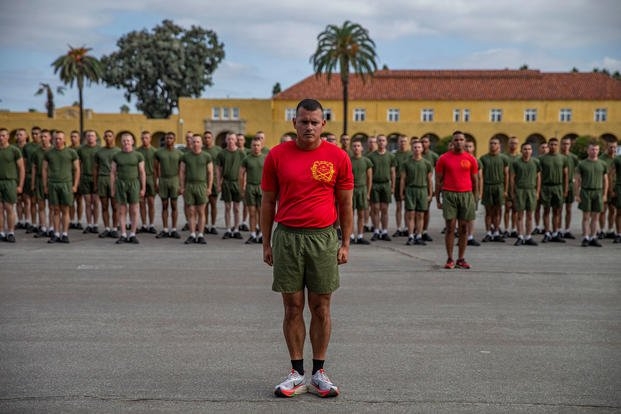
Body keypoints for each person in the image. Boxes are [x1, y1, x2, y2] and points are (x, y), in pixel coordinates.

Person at [262, 99, 353, 398]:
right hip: (287, 237)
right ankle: (296, 372)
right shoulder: (276, 156)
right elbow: (267, 202)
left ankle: (319, 373)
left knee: (321, 306)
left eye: (315, 122)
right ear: (294, 122)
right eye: (304, 121)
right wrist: (266, 241)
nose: (309, 127)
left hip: (323, 238)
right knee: (292, 307)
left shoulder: (338, 157)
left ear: (323, 124)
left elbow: (346, 203)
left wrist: (346, 243)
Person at [435, 131, 478, 269]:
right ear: (452, 142)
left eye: (461, 139)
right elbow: (438, 180)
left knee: (464, 228)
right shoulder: (443, 158)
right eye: (456, 139)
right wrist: (437, 199)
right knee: (450, 227)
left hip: (466, 195)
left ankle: (461, 258)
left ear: (465, 142)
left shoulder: (471, 159)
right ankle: (449, 258)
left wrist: (475, 198)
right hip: (449, 194)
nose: (459, 142)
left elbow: (475, 180)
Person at [42, 130, 80, 243]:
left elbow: (77, 169)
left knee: (65, 210)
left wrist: (75, 185)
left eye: (60, 139)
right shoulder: (48, 153)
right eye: (55, 139)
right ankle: (56, 233)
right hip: (53, 184)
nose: (57, 141)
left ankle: (65, 234)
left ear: (64, 139)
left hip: (66, 184)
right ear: (52, 140)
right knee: (55, 210)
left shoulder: (71, 153)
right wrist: (45, 185)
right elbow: (44, 169)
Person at [110, 133, 146, 244]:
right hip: (121, 184)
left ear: (132, 142)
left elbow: (142, 172)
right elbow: (112, 173)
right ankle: (124, 234)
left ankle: (133, 234)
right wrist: (112, 188)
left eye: (128, 140)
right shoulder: (117, 156)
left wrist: (143, 188)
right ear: (121, 142)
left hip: (134, 184)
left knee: (134, 210)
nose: (126, 142)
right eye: (124, 140)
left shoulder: (138, 155)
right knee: (122, 210)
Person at [179, 134, 213, 245]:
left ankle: (201, 235)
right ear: (191, 143)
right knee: (191, 211)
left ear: (201, 143)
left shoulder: (206, 156)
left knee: (201, 211)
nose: (196, 144)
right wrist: (182, 187)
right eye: (194, 142)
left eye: (198, 142)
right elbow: (182, 172)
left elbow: (210, 173)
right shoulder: (186, 156)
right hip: (190, 186)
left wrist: (209, 187)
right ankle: (192, 234)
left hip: (201, 186)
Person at [575, 141, 608, 247]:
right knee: (586, 217)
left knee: (595, 217)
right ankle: (586, 237)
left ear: (599, 151)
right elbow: (577, 180)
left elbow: (606, 180)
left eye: (596, 149)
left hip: (598, 191)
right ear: (588, 150)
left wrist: (605, 194)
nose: (594, 151)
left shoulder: (602, 164)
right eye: (592, 149)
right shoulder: (582, 164)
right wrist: (577, 194)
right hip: (586, 191)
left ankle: (593, 237)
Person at [400, 139, 433, 246]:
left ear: (422, 149)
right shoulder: (406, 163)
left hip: (422, 190)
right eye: (415, 147)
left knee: (420, 215)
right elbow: (403, 179)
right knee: (411, 214)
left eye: (419, 147)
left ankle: (419, 235)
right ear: (412, 149)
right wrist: (402, 192)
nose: (417, 149)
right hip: (410, 190)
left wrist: (430, 193)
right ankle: (410, 236)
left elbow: (429, 180)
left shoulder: (427, 164)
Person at [510, 142, 541, 246]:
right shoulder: (516, 162)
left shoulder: (536, 162)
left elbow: (538, 178)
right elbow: (512, 178)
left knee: (530, 215)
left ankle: (528, 236)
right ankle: (520, 236)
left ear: (532, 151)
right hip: (520, 190)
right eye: (525, 149)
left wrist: (537, 192)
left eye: (529, 149)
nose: (527, 151)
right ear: (521, 150)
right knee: (520, 215)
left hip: (531, 190)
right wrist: (513, 192)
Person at [538, 138, 568, 243]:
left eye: (555, 144)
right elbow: (539, 176)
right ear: (548, 145)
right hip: (546, 187)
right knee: (546, 211)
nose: (553, 146)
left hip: (558, 187)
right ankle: (547, 233)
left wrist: (565, 190)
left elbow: (566, 174)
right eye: (551, 144)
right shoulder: (542, 159)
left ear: (558, 145)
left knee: (557, 211)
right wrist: (539, 190)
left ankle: (555, 233)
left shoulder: (562, 158)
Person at [479, 137, 509, 242]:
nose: (493, 145)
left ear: (499, 145)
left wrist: (505, 190)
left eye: (495, 143)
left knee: (497, 211)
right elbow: (480, 176)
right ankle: (488, 232)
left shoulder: (504, 158)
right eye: (491, 143)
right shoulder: (483, 158)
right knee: (488, 211)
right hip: (488, 186)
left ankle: (496, 232)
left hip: (499, 186)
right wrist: (481, 191)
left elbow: (506, 175)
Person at [154, 131, 182, 239]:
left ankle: (174, 229)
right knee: (164, 205)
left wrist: (180, 185)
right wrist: (156, 183)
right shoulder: (159, 153)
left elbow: (182, 170)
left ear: (174, 140)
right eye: (167, 138)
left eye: (171, 138)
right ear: (164, 140)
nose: (168, 140)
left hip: (174, 180)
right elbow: (156, 169)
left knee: (174, 205)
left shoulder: (179, 153)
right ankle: (165, 229)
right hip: (163, 180)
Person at [368, 134, 396, 241]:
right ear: (377, 142)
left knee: (384, 209)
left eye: (383, 140)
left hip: (385, 184)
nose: (381, 142)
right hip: (375, 184)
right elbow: (369, 174)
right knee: (375, 209)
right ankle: (376, 230)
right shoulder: (371, 156)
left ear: (386, 142)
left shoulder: (391, 156)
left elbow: (393, 172)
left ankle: (384, 231)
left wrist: (393, 186)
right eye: (379, 140)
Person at [217, 132, 245, 239]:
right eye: (229, 139)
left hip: (237, 182)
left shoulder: (241, 154)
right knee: (227, 207)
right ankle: (228, 229)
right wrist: (219, 183)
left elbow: (244, 171)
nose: (230, 141)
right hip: (226, 182)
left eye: (232, 139)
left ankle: (237, 229)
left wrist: (243, 184)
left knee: (237, 208)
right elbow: (218, 169)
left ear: (236, 140)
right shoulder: (222, 154)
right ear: (226, 140)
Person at [0, 127, 25, 243]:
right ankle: (1, 232)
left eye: (3, 135)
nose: (1, 138)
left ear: (8, 137)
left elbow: (21, 168)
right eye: (0, 136)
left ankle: (10, 232)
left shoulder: (14, 150)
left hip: (10, 181)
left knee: (9, 208)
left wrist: (20, 185)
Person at [94, 130, 120, 238]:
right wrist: (95, 183)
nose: (108, 138)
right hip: (102, 179)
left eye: (110, 136)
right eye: (106, 136)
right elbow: (95, 168)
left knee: (115, 206)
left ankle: (114, 228)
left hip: (114, 180)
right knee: (104, 206)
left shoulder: (118, 151)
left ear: (113, 137)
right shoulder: (99, 152)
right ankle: (106, 228)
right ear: (104, 138)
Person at [240, 137, 266, 244]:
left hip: (262, 188)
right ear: (251, 147)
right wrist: (242, 188)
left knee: (261, 212)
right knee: (252, 212)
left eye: (258, 145)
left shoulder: (266, 158)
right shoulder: (247, 159)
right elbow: (241, 174)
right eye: (254, 145)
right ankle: (252, 234)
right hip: (250, 187)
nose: (256, 147)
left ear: (261, 146)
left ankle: (261, 234)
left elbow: (270, 175)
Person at [349, 138, 372, 244]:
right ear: (351, 148)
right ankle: (352, 235)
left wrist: (368, 193)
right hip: (351, 190)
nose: (356, 148)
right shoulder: (348, 160)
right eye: (354, 146)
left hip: (362, 189)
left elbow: (369, 178)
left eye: (358, 146)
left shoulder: (366, 161)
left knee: (361, 214)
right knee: (351, 214)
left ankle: (361, 235)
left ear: (362, 148)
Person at [77, 130, 100, 234]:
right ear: (86, 137)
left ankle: (95, 225)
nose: (90, 137)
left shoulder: (100, 150)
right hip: (85, 178)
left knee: (95, 203)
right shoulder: (81, 150)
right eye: (88, 135)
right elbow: (78, 165)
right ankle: (89, 224)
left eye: (92, 135)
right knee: (87, 203)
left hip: (97, 178)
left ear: (96, 138)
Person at [30, 129, 52, 238]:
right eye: (41, 136)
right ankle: (43, 227)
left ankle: (52, 228)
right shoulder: (36, 152)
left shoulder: (54, 150)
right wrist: (33, 184)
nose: (43, 138)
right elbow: (34, 168)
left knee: (53, 206)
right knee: (41, 205)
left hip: (52, 180)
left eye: (45, 136)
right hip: (39, 180)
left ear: (50, 138)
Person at [137, 130, 157, 234]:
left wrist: (156, 181)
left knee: (151, 202)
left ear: (150, 139)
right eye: (143, 138)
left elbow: (157, 167)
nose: (144, 140)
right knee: (142, 203)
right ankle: (144, 224)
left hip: (151, 177)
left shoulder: (154, 151)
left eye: (147, 138)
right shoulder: (137, 151)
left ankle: (151, 224)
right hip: (140, 179)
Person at [559, 137, 579, 239]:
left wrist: (576, 188)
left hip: (570, 185)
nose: (565, 146)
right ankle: (557, 229)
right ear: (560, 145)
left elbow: (577, 172)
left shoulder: (574, 157)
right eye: (563, 144)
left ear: (570, 145)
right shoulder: (557, 156)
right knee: (558, 209)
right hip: (559, 185)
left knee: (569, 209)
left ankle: (567, 229)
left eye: (567, 144)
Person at [202, 130, 221, 235]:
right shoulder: (201, 150)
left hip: (214, 181)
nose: (207, 139)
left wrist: (219, 181)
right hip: (203, 181)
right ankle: (204, 225)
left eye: (209, 137)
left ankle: (213, 226)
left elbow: (220, 167)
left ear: (212, 138)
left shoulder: (218, 150)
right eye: (205, 138)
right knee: (204, 205)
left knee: (213, 204)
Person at [421, 135, 439, 242]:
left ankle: (424, 231)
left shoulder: (433, 156)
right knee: (415, 211)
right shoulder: (415, 154)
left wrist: (435, 188)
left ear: (429, 144)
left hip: (428, 186)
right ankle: (415, 230)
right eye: (422, 142)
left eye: (426, 142)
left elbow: (439, 173)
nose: (423, 144)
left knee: (426, 210)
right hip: (415, 185)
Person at [393, 135, 411, 237]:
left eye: (404, 141)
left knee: (408, 208)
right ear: (398, 143)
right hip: (398, 181)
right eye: (401, 141)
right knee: (399, 206)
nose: (402, 143)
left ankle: (407, 227)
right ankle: (399, 228)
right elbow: (393, 171)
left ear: (407, 143)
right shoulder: (395, 155)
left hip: (409, 183)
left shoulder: (411, 154)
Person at [599, 140, 618, 239]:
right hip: (604, 188)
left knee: (613, 210)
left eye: (614, 147)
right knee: (603, 210)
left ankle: (610, 230)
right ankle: (601, 230)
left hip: (615, 188)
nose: (613, 149)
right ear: (606, 147)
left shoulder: (617, 158)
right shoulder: (601, 159)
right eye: (611, 147)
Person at [464, 139, 482, 246]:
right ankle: (463, 235)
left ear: (474, 148)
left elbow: (480, 178)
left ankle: (470, 236)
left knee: (471, 215)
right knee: (461, 216)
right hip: (462, 190)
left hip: (471, 191)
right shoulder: (459, 159)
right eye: (466, 146)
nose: (468, 148)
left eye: (470, 146)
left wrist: (479, 193)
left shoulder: (476, 161)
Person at [504, 136, 520, 238]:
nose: (513, 145)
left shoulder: (520, 157)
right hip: (506, 186)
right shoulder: (504, 157)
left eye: (515, 143)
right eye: (511, 143)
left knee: (515, 209)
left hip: (517, 187)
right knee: (507, 208)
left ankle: (514, 229)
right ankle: (506, 229)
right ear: (508, 144)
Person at [532, 141, 549, 234]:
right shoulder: (536, 160)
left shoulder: (550, 159)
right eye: (542, 147)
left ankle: (546, 227)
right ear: (539, 149)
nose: (545, 149)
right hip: (538, 186)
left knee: (547, 209)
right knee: (537, 208)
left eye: (546, 147)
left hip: (548, 186)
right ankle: (537, 226)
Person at [69, 130, 84, 230]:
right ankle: (72, 220)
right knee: (71, 200)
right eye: (72, 136)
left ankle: (79, 221)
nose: (73, 138)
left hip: (80, 177)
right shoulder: (68, 149)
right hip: (70, 177)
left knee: (79, 200)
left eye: (75, 136)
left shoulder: (82, 149)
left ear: (79, 138)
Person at [609, 152, 621, 243]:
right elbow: (611, 174)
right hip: (619, 187)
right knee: (619, 212)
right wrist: (611, 189)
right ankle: (618, 234)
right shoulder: (617, 159)